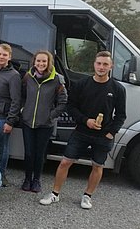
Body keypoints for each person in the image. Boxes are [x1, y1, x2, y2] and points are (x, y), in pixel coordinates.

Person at [40, 51, 126, 209]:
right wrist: (86, 121)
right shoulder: (82, 84)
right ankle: (55, 194)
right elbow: (71, 107)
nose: (101, 67)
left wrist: (110, 133)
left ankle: (87, 196)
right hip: (81, 131)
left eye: (105, 64)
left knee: (97, 166)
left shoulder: (118, 89)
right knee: (65, 162)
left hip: (103, 135)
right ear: (94, 64)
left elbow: (121, 115)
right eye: (99, 63)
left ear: (111, 66)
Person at [20, 50, 67, 192]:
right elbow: (22, 95)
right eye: (38, 61)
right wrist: (23, 109)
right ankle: (27, 179)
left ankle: (36, 180)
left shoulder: (57, 79)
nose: (41, 64)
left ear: (48, 63)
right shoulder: (28, 77)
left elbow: (63, 101)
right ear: (34, 61)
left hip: (45, 124)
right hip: (28, 122)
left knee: (40, 154)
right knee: (28, 153)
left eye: (44, 61)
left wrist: (51, 115)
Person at [0, 43, 21, 186]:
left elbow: (16, 100)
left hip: (2, 117)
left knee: (3, 147)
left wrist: (10, 121)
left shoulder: (14, 76)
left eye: (4, 55)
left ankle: (1, 174)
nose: (1, 57)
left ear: (9, 57)